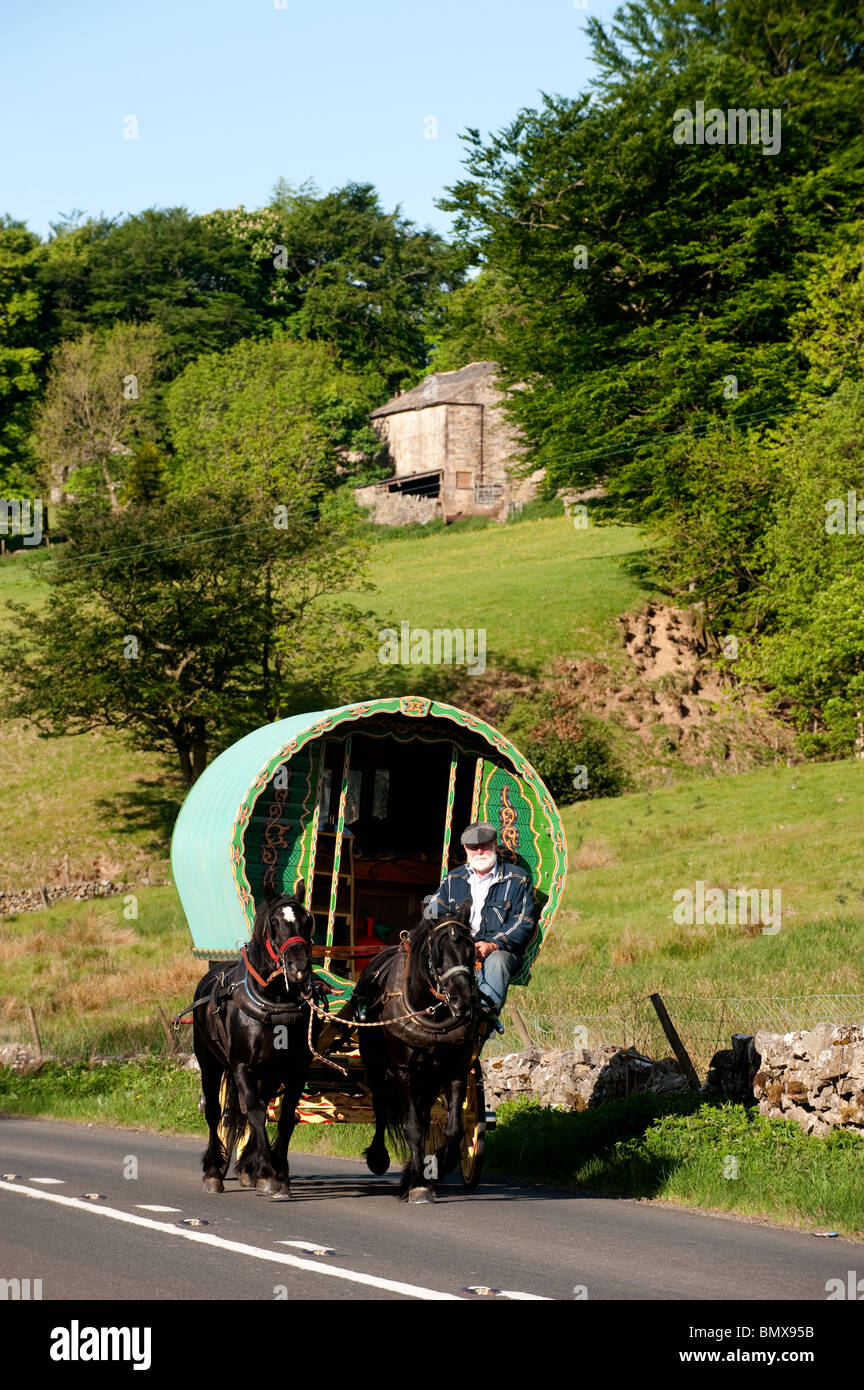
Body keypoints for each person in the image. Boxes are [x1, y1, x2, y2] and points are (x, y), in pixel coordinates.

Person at [424, 822, 535, 1026]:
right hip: (459, 949)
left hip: (500, 951)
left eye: (484, 845)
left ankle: (482, 1021)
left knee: (498, 961)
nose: (480, 851)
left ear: (494, 844)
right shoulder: (453, 879)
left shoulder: (517, 879)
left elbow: (523, 922)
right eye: (474, 848)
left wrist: (493, 944)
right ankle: (430, 1017)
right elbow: (432, 912)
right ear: (466, 849)